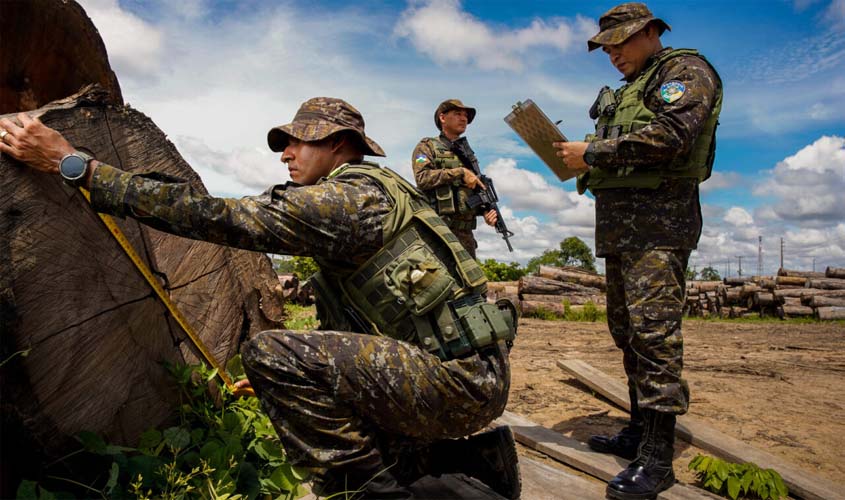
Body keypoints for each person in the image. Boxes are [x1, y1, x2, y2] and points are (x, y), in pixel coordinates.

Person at [0, 97, 520, 500]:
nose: (286, 154)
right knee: (292, 373)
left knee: (270, 352)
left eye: (298, 143)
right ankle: (474, 463)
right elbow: (371, 321)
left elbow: (213, 216)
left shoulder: (347, 199)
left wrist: (77, 166)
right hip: (466, 374)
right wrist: (310, 376)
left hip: (456, 383)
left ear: (339, 144)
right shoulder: (379, 192)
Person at [553, 3, 722, 499]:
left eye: (620, 43)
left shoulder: (684, 71)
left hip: (659, 227)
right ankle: (637, 431)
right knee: (627, 332)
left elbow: (672, 135)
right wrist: (582, 161)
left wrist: (593, 152)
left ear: (651, 32)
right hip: (622, 231)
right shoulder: (629, 89)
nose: (612, 55)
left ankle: (658, 458)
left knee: (655, 337)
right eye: (606, 48)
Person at [411, 99, 497, 258]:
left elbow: (471, 193)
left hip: (465, 236)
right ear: (442, 118)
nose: (464, 119)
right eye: (458, 114)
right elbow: (422, 178)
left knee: (469, 282)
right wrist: (459, 173)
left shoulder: (468, 155)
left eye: (465, 116)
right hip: (437, 231)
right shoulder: (427, 146)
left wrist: (485, 211)